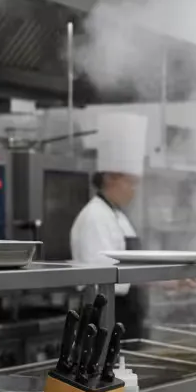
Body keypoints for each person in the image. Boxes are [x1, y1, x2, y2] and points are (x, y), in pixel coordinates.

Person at [70, 112, 151, 337]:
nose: (134, 191)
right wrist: (157, 282)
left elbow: (131, 270)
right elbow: (104, 280)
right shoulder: (95, 217)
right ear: (110, 178)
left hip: (125, 321)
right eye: (131, 183)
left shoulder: (118, 216)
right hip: (104, 323)